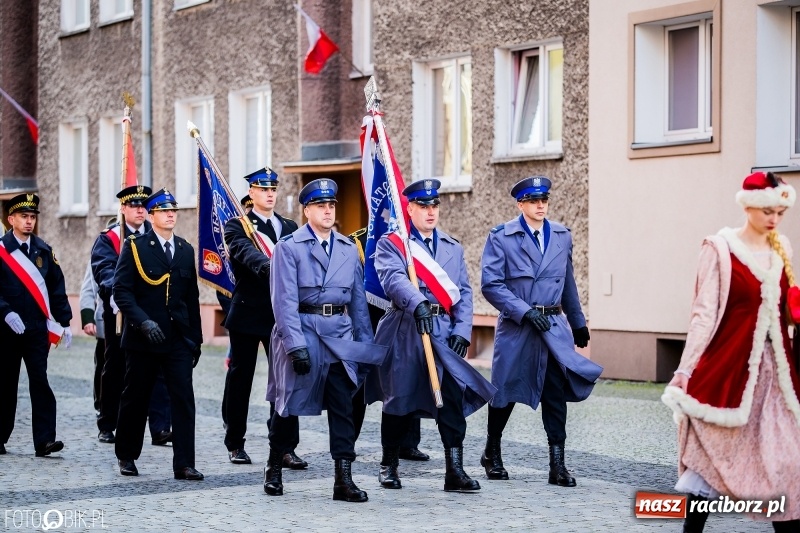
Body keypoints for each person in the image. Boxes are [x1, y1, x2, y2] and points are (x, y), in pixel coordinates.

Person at [662, 171, 800, 532]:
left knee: (786, 461)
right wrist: (685, 372)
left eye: (780, 213)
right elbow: (703, 315)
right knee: (713, 458)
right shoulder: (720, 250)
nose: (774, 219)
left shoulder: (782, 248)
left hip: (777, 378)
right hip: (731, 371)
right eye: (767, 211)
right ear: (748, 206)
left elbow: (786, 311)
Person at [369, 179, 496, 492]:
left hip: (443, 333)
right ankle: (389, 464)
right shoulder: (393, 244)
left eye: (434, 205)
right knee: (400, 398)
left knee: (451, 400)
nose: (430, 211)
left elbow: (463, 292)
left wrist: (462, 331)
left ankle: (455, 470)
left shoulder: (453, 247)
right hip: (406, 330)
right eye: (423, 206)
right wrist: (418, 303)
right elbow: (393, 280)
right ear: (410, 209)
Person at [264, 178, 385, 501]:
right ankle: (274, 465)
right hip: (302, 332)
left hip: (338, 337)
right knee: (287, 405)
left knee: (343, 406)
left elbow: (358, 304)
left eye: (331, 205)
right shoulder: (288, 247)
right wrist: (294, 346)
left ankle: (343, 479)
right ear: (307, 211)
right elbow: (283, 301)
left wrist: (364, 347)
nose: (328, 210)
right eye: (320, 206)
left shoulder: (347, 248)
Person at [480, 176, 602, 487]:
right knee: (505, 391)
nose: (540, 205)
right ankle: (492, 452)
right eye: (533, 201)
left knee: (555, 393)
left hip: (553, 328)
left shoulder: (562, 235)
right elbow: (491, 285)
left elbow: (568, 281)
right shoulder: (502, 237)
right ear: (520, 204)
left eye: (544, 200)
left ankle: (557, 465)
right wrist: (524, 311)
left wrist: (578, 322)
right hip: (518, 327)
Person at [113, 188, 204, 480]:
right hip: (144, 339)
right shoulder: (135, 246)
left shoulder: (185, 249)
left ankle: (184, 463)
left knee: (183, 399)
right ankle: (127, 455)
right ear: (152, 216)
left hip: (177, 338)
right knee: (136, 397)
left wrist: (196, 340)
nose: (170, 215)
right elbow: (121, 291)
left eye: (173, 211)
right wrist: (142, 322)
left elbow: (191, 299)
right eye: (164, 211)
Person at [221, 167, 305, 468]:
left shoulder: (289, 226)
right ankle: (235, 442)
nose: (269, 194)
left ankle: (284, 446)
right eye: (263, 189)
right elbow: (243, 251)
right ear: (251, 193)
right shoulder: (238, 225)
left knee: (285, 380)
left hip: (280, 314)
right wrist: (270, 266)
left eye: (273, 189)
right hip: (247, 311)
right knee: (240, 379)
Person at [90, 185, 171, 445]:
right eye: (134, 205)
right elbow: (103, 267)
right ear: (123, 208)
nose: (139, 210)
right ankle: (108, 423)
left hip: (151, 310)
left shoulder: (155, 235)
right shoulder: (110, 238)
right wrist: (115, 292)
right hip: (119, 311)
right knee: (115, 366)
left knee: (158, 368)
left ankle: (160, 427)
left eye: (143, 206)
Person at [349, 227, 430, 461]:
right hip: (368, 319)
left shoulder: (410, 239)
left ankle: (408, 443)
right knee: (360, 383)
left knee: (408, 378)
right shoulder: (358, 240)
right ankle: (348, 441)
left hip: (404, 317)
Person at [0, 193, 72, 457]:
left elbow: (56, 288)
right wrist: (5, 311)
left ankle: (45, 440)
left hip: (36, 330)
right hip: (6, 330)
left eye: (32, 217)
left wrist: (65, 322)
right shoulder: (1, 250)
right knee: (5, 383)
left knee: (40, 381)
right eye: (24, 216)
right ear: (11, 220)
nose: (29, 221)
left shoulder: (43, 250)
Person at [79, 258, 105, 416]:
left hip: (135, 323)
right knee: (103, 366)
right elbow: (88, 289)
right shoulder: (103, 248)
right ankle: (102, 405)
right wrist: (88, 318)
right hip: (106, 323)